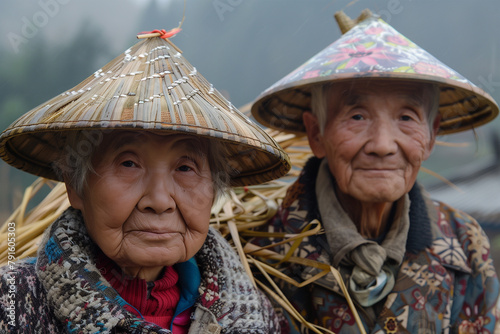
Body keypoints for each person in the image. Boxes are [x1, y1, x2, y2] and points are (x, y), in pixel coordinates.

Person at [0, 30, 290, 333]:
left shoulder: (257, 316)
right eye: (128, 164)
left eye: (186, 168)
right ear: (75, 184)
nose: (160, 200)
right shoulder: (13, 305)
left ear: (214, 188)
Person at [250, 10, 500, 333]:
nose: (382, 145)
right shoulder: (265, 253)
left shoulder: (465, 244)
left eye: (406, 118)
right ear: (316, 134)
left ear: (431, 135)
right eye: (357, 116)